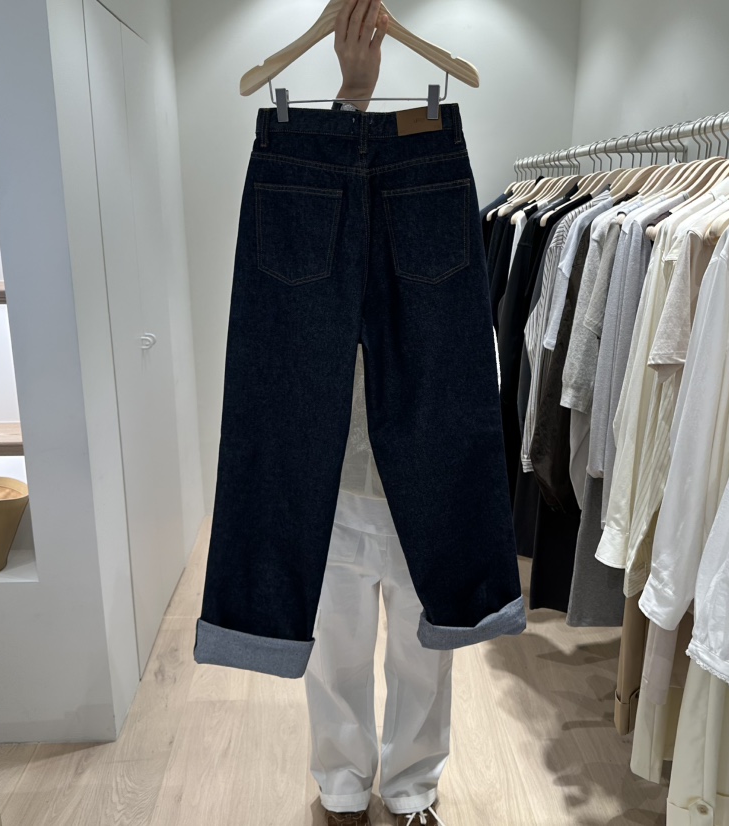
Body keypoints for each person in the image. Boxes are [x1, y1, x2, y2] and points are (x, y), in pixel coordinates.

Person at [304, 3, 453, 825]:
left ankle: (411, 785)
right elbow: (331, 197)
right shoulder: (316, 241)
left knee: (426, 650)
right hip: (334, 476)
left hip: (418, 477)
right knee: (337, 647)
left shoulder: (436, 236)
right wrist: (353, 93)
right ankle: (342, 780)